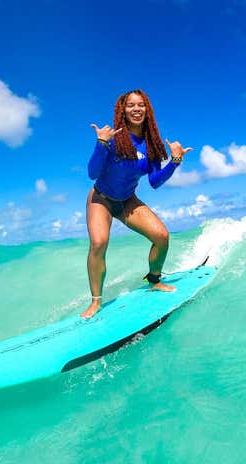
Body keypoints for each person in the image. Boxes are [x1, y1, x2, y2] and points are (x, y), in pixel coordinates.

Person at [81, 89, 193, 318]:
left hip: (127, 201)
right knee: (99, 243)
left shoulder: (150, 144)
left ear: (147, 109)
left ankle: (154, 280)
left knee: (161, 236)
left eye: (141, 105)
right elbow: (93, 173)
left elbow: (154, 182)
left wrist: (175, 161)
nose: (136, 109)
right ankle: (95, 302)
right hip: (100, 198)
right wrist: (101, 144)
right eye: (131, 105)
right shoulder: (114, 138)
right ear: (123, 110)